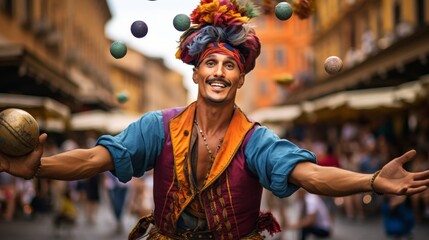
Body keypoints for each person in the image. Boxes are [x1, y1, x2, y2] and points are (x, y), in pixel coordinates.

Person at [1, 1, 429, 239]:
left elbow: (312, 175)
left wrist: (372, 181)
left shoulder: (257, 141)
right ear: (196, 72)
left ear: (242, 76)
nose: (220, 72)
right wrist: (36, 167)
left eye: (229, 65)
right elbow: (96, 159)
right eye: (211, 63)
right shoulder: (158, 126)